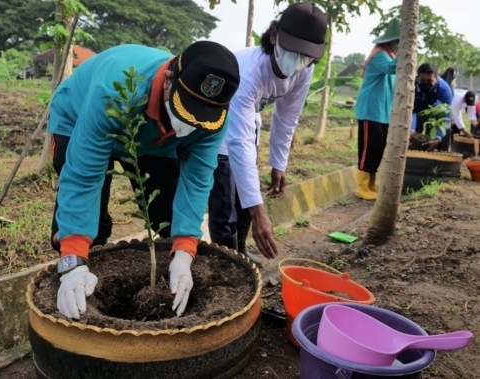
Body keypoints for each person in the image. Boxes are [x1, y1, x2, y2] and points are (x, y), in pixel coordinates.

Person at [49, 41, 240, 319]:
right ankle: (78, 277)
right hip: (80, 114)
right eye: (186, 110)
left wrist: (185, 249)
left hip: (156, 137)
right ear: (168, 80)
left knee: (165, 213)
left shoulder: (213, 120)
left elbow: (198, 179)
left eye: (200, 118)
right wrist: (73, 257)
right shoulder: (114, 91)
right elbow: (83, 174)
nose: (190, 125)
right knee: (94, 218)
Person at [207, 2, 327, 262]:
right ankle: (224, 263)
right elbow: (236, 140)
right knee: (225, 207)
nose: (298, 62)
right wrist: (259, 211)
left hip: (248, 132)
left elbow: (287, 116)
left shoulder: (304, 69)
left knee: (242, 203)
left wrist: (278, 162)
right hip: (220, 136)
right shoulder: (247, 71)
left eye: (307, 56)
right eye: (293, 52)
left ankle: (239, 253)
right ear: (274, 36)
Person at [354, 18, 400, 201]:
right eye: (399, 41)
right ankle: (362, 185)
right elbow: (392, 68)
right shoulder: (381, 55)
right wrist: (406, 48)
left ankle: (371, 184)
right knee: (368, 149)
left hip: (381, 112)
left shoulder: (387, 54)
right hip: (370, 111)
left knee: (377, 148)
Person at [411, 63, 453, 152]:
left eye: (429, 81)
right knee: (412, 137)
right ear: (417, 77)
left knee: (446, 131)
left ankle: (440, 160)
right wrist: (411, 129)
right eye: (422, 80)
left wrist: (438, 137)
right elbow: (411, 110)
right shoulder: (411, 85)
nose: (425, 83)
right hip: (416, 112)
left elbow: (445, 115)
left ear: (436, 78)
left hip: (434, 115)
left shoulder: (444, 90)